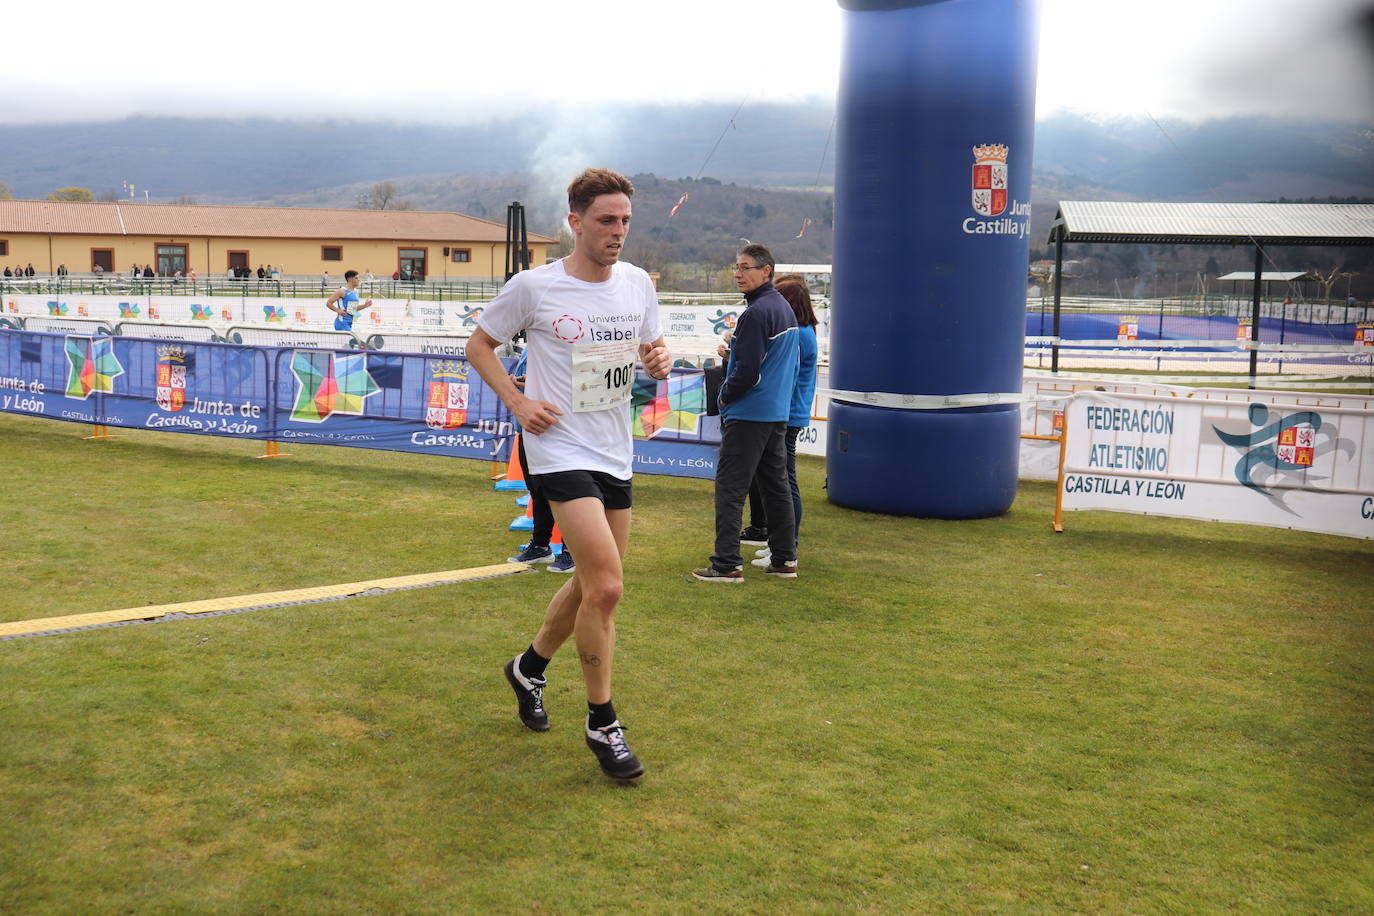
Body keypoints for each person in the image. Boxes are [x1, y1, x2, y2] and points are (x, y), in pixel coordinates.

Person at [465, 166, 670, 781]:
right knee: (607, 587)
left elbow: (651, 353)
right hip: (558, 449)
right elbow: (479, 347)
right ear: (576, 223)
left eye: (626, 221)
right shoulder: (535, 286)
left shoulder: (637, 284)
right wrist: (520, 402)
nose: (618, 232)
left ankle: (528, 667)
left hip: (614, 451)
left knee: (590, 584)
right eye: (606, 221)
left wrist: (659, 358)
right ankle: (602, 723)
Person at [692, 244, 799, 582]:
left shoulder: (756, 313)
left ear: (766, 271)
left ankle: (726, 565)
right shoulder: (782, 308)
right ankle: (784, 560)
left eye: (745, 267)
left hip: (750, 413)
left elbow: (748, 372)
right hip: (775, 412)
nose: (738, 273)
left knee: (730, 488)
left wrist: (724, 396)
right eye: (736, 267)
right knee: (776, 487)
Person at [747, 274, 819, 569]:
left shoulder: (799, 334)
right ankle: (779, 542)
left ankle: (787, 544)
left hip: (786, 414)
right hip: (786, 412)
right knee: (777, 480)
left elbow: (784, 373)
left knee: (784, 481)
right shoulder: (804, 331)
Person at [505, 349, 575, 573]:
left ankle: (570, 551)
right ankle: (540, 546)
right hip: (528, 431)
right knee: (537, 491)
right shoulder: (530, 347)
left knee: (567, 494)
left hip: (557, 430)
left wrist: (529, 387)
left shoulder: (564, 346)